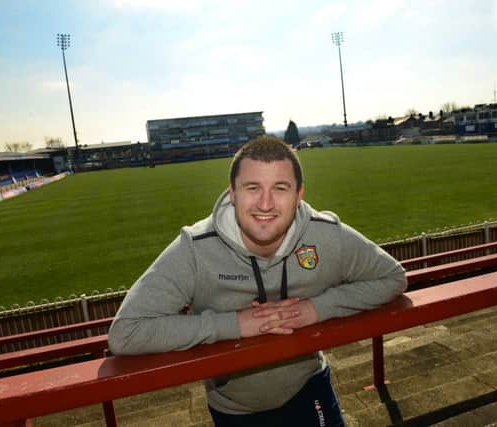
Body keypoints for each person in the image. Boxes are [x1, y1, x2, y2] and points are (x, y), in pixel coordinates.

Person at [108, 136, 407, 426]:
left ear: (299, 194)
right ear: (232, 193)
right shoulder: (195, 248)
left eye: (280, 188)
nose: (265, 203)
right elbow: (126, 332)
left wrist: (316, 308)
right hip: (234, 410)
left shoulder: (325, 235)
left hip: (309, 386)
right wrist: (237, 323)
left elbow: (392, 277)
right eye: (253, 187)